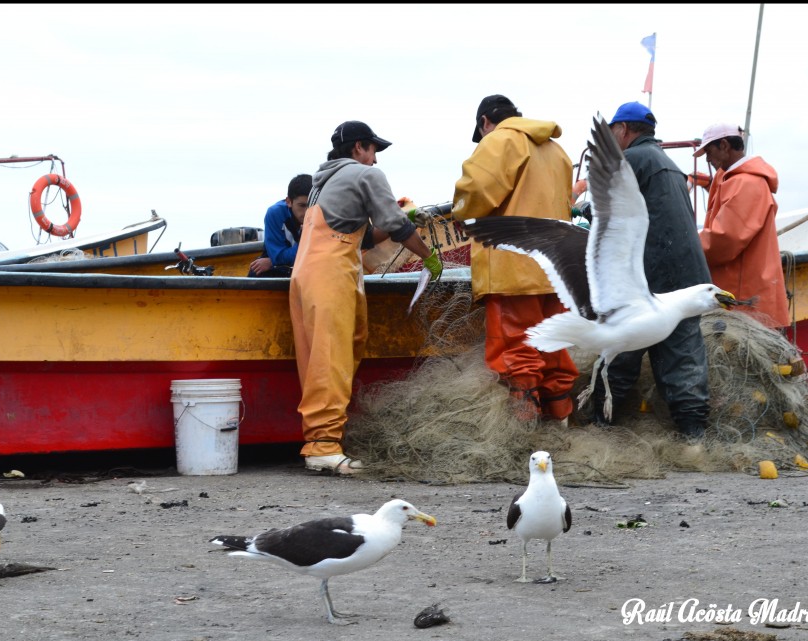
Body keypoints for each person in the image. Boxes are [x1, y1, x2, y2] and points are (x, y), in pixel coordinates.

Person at [289, 121, 442, 474]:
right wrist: (428, 256)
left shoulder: (321, 181)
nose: (374, 159)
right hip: (331, 276)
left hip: (305, 276)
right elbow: (399, 227)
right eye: (373, 150)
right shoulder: (366, 174)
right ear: (359, 147)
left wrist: (404, 216)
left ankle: (320, 442)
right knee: (332, 358)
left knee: (317, 360)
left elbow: (366, 239)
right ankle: (324, 445)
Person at [451, 94, 579, 423]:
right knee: (552, 350)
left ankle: (520, 436)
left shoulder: (499, 141)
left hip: (513, 269)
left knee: (515, 352)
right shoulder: (556, 150)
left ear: (484, 123)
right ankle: (560, 424)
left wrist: (458, 213)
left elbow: (475, 196)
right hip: (554, 269)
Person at [593, 102, 714, 441]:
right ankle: (693, 439)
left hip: (651, 277)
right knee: (683, 357)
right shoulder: (671, 165)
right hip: (689, 278)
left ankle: (600, 431)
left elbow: (611, 212)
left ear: (622, 130)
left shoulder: (631, 160)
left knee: (620, 351)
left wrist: (583, 209)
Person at [695, 123, 789, 329]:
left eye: (709, 152)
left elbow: (725, 240)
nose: (708, 160)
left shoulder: (746, 183)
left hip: (746, 297)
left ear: (725, 145)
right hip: (743, 294)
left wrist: (687, 243)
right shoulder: (732, 178)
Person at [248, 174, 312, 278]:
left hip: (309, 267)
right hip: (283, 268)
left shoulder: (321, 213)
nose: (307, 211)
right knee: (257, 271)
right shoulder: (275, 214)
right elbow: (278, 257)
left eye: (311, 205)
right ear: (289, 202)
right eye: (302, 205)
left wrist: (272, 262)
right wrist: (304, 240)